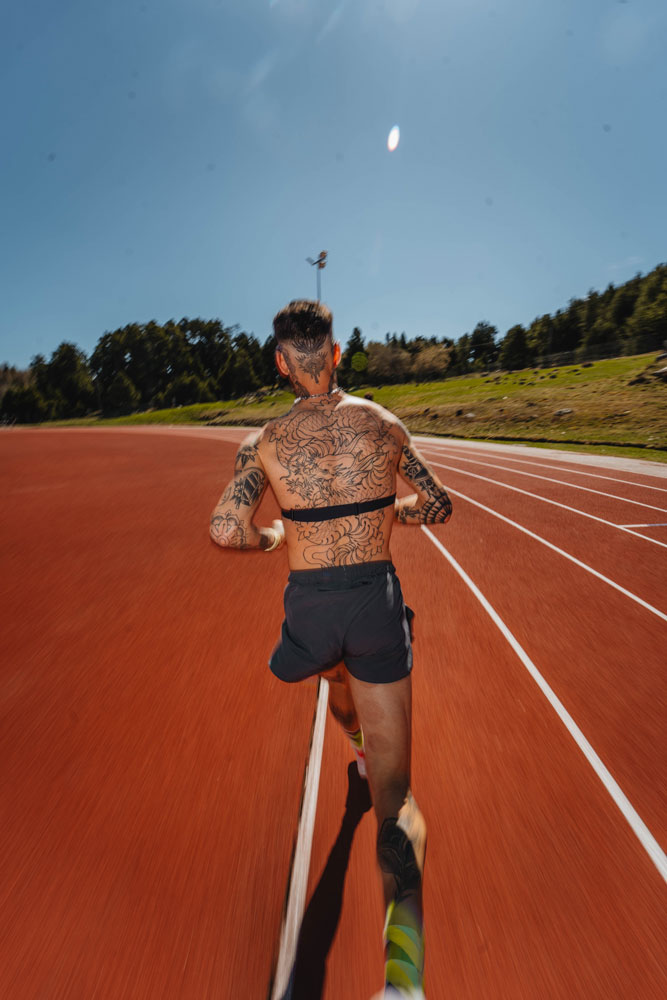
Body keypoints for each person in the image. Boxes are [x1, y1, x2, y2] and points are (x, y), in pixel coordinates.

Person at [210, 300, 452, 998]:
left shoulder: (262, 442)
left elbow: (226, 530)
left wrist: (277, 538)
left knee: (331, 664)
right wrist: (394, 512)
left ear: (281, 362)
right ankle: (403, 983)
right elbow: (437, 505)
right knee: (396, 799)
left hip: (310, 609)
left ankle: (352, 740)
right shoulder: (385, 425)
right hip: (373, 601)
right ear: (337, 353)